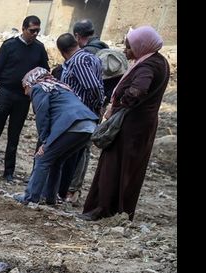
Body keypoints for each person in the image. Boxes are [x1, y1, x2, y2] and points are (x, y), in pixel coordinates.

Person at [80, 26, 170, 222]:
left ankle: (103, 208)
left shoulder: (148, 66)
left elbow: (138, 90)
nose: (126, 51)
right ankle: (118, 210)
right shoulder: (158, 60)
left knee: (113, 166)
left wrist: (119, 106)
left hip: (131, 126)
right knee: (128, 168)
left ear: (142, 45)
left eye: (129, 47)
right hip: (141, 125)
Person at [0, 16, 50, 182]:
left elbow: (45, 72)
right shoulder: (9, 46)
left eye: (38, 31)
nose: (35, 34)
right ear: (23, 29)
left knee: (14, 136)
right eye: (32, 31)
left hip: (23, 98)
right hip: (4, 94)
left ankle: (8, 172)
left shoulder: (39, 48)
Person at [13, 68, 98, 205]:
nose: (25, 92)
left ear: (31, 83)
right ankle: (50, 198)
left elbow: (43, 116)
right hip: (89, 126)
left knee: (42, 158)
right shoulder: (60, 87)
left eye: (25, 87)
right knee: (57, 161)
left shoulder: (39, 88)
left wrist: (44, 142)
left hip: (72, 125)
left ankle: (30, 197)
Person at [54, 32, 104, 204]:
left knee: (68, 155)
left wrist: (94, 107)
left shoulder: (78, 61)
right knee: (73, 154)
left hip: (78, 115)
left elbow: (93, 86)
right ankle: (62, 191)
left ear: (62, 51)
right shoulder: (91, 58)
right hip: (84, 114)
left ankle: (60, 192)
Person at [72, 19, 126, 102]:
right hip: (109, 96)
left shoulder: (85, 55)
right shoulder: (104, 47)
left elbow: (90, 85)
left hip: (93, 101)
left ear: (77, 36)